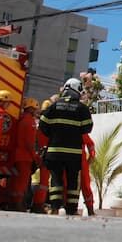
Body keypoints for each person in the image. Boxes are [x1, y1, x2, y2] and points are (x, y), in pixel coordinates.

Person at [38, 78, 93, 216]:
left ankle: (55, 207)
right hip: (73, 153)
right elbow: (87, 128)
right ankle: (72, 209)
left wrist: (54, 134)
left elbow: (42, 126)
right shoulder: (82, 108)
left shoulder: (54, 106)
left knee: (56, 179)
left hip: (54, 151)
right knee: (73, 181)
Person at [7, 98, 41, 212]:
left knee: (16, 180)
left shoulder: (21, 119)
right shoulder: (29, 121)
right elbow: (30, 143)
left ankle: (12, 202)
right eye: (35, 108)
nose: (36, 111)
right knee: (22, 181)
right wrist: (35, 157)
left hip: (18, 154)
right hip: (25, 156)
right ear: (30, 108)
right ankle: (18, 204)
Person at [30, 100, 53, 213]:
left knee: (34, 180)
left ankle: (34, 204)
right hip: (44, 153)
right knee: (43, 182)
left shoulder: (36, 122)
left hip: (36, 153)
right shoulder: (49, 124)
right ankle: (38, 205)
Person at [79, 131, 96, 216]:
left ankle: (90, 209)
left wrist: (91, 156)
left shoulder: (80, 131)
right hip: (76, 161)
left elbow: (90, 143)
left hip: (81, 162)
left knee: (85, 185)